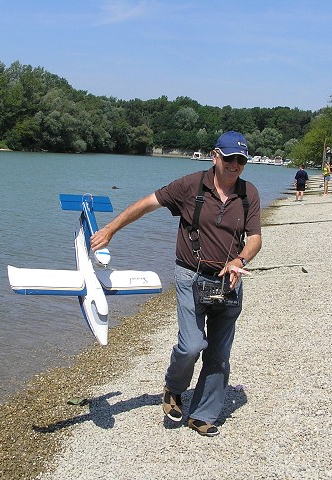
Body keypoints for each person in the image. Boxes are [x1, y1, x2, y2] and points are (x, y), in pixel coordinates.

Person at [90, 131, 262, 437]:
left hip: (229, 281)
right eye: (229, 159)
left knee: (219, 354)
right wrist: (112, 228)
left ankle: (203, 414)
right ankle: (174, 386)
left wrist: (240, 260)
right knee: (192, 345)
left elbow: (256, 239)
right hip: (190, 276)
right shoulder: (190, 186)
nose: (234, 165)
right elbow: (147, 203)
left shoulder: (249, 194)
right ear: (215, 156)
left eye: (241, 161)